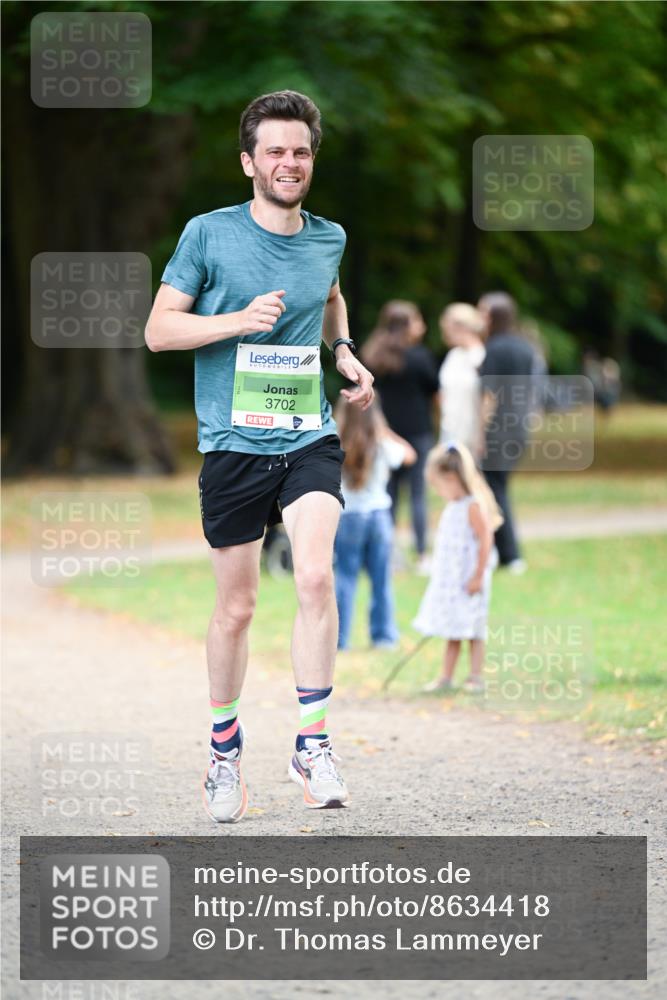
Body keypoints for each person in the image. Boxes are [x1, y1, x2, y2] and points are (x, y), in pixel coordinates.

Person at [145, 90, 374, 822]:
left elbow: (330, 297)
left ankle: (313, 744)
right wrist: (236, 321)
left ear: (312, 160)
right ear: (249, 162)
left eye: (300, 151)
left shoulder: (328, 238)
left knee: (315, 576)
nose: (289, 162)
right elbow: (158, 331)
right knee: (237, 607)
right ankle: (224, 751)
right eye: (275, 151)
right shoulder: (208, 234)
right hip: (232, 444)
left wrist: (343, 350)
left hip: (307, 435)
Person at [413, 442, 503, 694]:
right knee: (453, 628)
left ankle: (475, 676)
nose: (437, 491)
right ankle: (446, 676)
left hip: (470, 580)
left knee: (474, 629)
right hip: (454, 582)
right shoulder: (454, 505)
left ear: (452, 478)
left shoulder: (472, 506)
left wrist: (478, 576)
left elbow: (486, 540)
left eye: (438, 485)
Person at [360, 300, 439, 573]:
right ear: (406, 325)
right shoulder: (420, 357)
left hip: (385, 435)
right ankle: (422, 554)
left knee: (387, 494)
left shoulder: (372, 355)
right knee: (418, 494)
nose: (422, 326)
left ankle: (386, 553)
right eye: (417, 320)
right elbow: (435, 392)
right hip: (418, 434)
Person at [333, 398, 416, 651]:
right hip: (379, 516)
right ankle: (384, 637)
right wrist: (385, 430)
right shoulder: (381, 443)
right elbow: (410, 455)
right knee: (381, 579)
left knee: (345, 578)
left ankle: (339, 638)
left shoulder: (336, 443)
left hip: (348, 517)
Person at [477, 291, 542, 574]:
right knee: (497, 486)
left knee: (494, 489)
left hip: (498, 428)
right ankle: (500, 552)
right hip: (519, 426)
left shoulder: (494, 348)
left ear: (493, 316)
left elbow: (489, 395)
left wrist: (480, 432)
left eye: (482, 312)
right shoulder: (526, 347)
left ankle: (509, 554)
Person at [438, 303, 487, 459]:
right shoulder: (453, 355)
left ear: (461, 327)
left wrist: (481, 436)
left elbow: (487, 400)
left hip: (471, 431)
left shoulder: (481, 357)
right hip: (449, 429)